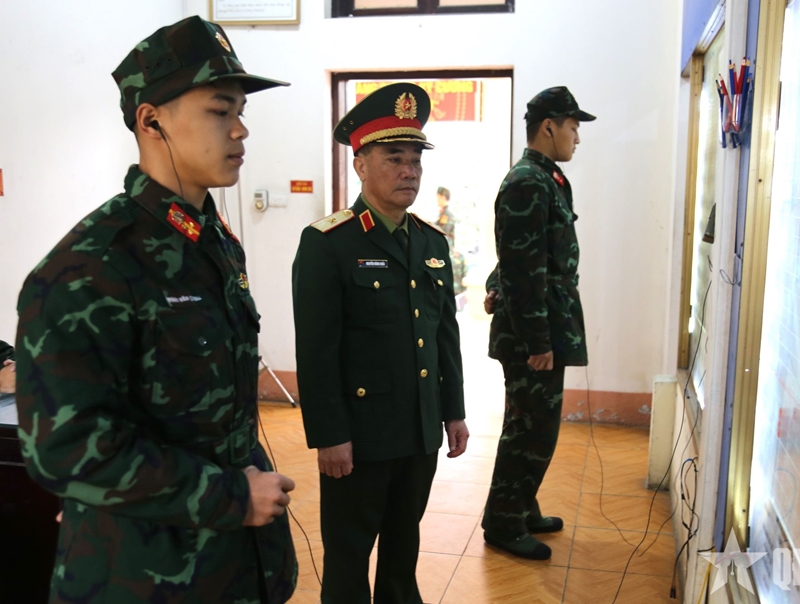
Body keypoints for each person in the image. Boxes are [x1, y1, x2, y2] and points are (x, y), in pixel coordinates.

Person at [14, 17, 296, 603]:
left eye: (241, 111)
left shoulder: (212, 241)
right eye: (220, 110)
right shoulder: (90, 265)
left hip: (233, 565)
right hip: (143, 576)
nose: (241, 129)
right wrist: (231, 496)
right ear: (151, 120)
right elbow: (65, 447)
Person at [292, 82, 469, 604]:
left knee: (402, 550)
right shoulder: (328, 243)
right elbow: (316, 352)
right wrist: (329, 435)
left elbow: (445, 336)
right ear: (360, 165)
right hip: (360, 437)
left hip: (419, 430)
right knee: (348, 560)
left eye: (416, 159)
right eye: (394, 157)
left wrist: (453, 411)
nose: (409, 170)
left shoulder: (431, 242)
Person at [481, 86, 595, 560]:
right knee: (531, 430)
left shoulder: (546, 178)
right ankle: (503, 523)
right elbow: (522, 266)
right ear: (549, 127)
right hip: (535, 333)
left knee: (533, 425)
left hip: (546, 322)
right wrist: (537, 341)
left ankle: (522, 506)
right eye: (573, 127)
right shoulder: (528, 181)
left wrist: (494, 285)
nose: (577, 138)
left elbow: (522, 253)